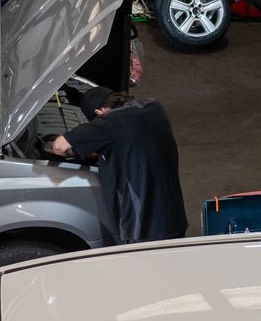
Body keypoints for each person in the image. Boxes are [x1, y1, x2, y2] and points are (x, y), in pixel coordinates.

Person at [46, 86, 187, 245]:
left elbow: (59, 146)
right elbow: (132, 144)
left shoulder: (109, 123)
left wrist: (68, 152)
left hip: (144, 229)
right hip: (174, 216)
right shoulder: (153, 107)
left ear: (99, 113)